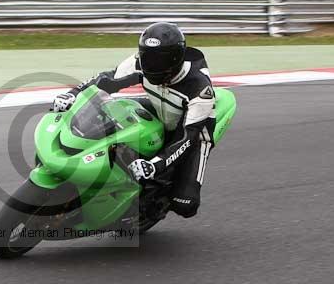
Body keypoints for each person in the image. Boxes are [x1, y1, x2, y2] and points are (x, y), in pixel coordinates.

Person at [52, 22, 215, 218]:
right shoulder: (142, 62)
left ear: (175, 58)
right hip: (157, 106)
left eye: (158, 60)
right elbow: (107, 80)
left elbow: (187, 138)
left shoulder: (199, 89)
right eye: (147, 57)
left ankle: (152, 204)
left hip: (193, 128)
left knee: (184, 204)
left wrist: (155, 165)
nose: (150, 65)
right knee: (106, 110)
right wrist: (73, 94)